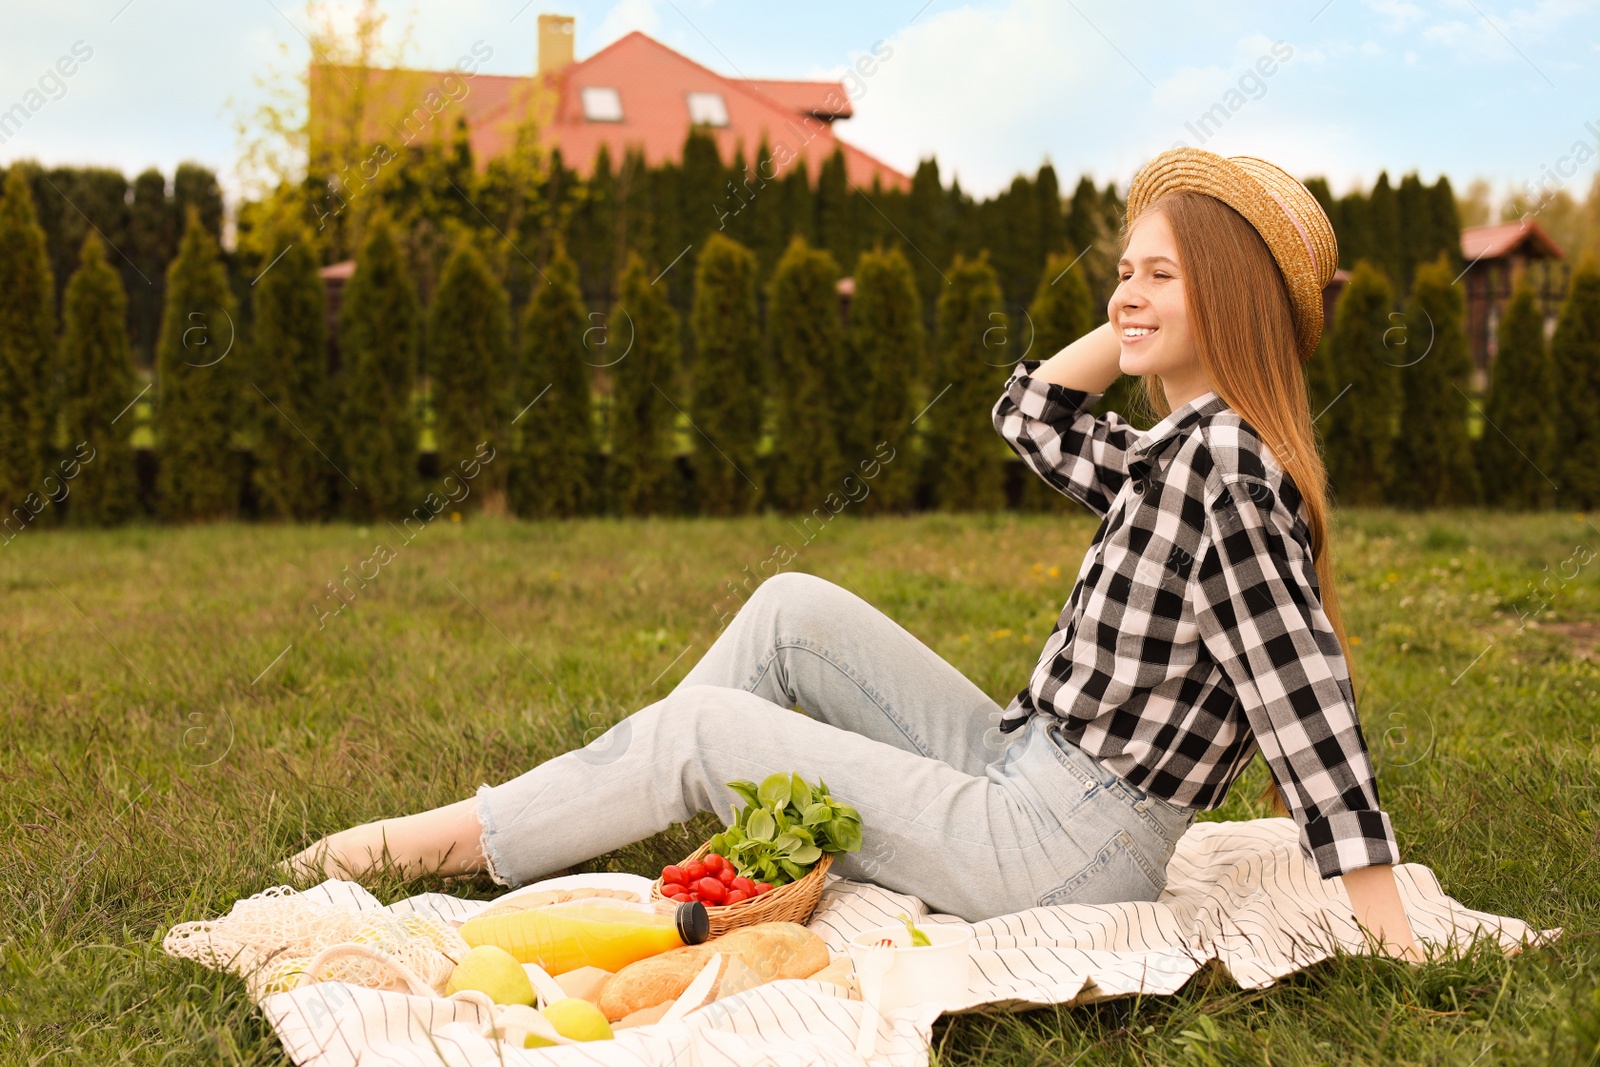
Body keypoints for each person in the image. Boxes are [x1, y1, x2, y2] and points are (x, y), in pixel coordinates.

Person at [282, 147, 1421, 959]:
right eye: (1121, 267)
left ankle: (448, 839)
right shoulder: (1173, 454)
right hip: (1019, 759)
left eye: (1159, 273)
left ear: (1229, 297)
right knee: (790, 607)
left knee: (702, 729)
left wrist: (1387, 929)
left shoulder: (1222, 466)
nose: (1124, 289)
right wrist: (1140, 324)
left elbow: (1304, 699)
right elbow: (1031, 415)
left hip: (1069, 843)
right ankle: (675, 826)